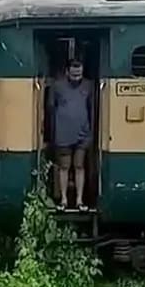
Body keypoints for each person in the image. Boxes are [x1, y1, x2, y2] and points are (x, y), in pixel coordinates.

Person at [48, 58, 93, 210]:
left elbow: (92, 108)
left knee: (79, 166)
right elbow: (50, 108)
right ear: (67, 71)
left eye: (79, 73)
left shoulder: (88, 85)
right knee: (64, 167)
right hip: (63, 134)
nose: (76, 76)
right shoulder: (57, 86)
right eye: (73, 73)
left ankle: (80, 201)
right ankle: (64, 200)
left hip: (83, 133)